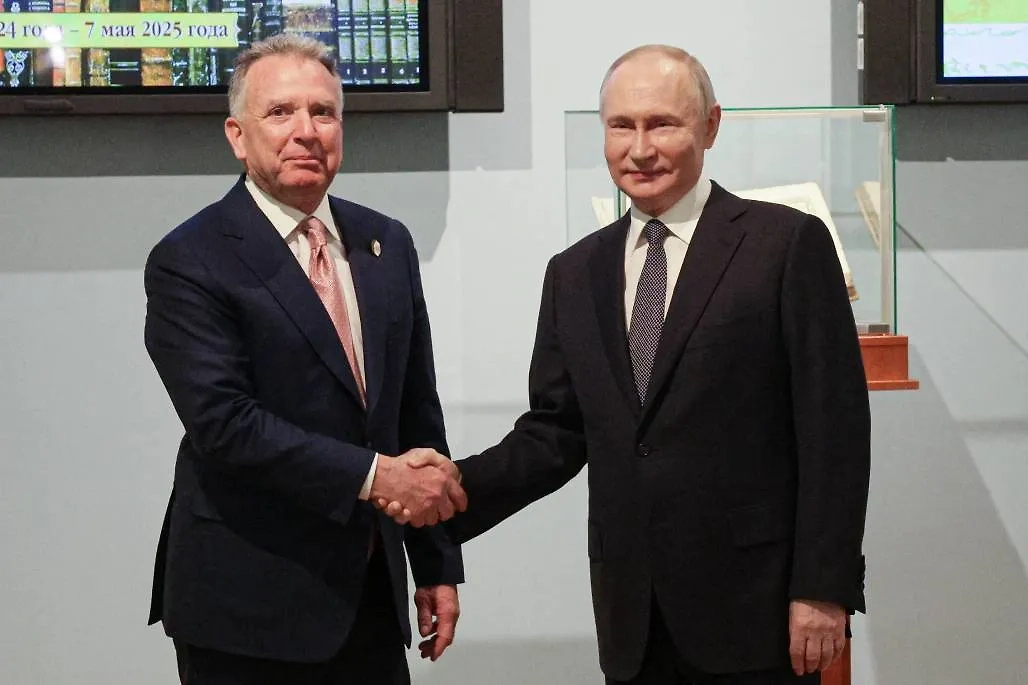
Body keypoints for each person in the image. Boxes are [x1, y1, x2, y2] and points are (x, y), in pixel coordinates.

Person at [382, 45, 871, 685]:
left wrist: (823, 587)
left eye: (662, 124)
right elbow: (555, 433)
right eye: (622, 126)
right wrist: (450, 493)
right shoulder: (574, 272)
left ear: (710, 126)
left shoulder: (786, 245)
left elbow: (835, 432)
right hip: (632, 617)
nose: (640, 149)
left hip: (760, 611)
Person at [143, 34, 466, 685]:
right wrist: (376, 477)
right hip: (246, 608)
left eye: (323, 112)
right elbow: (225, 424)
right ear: (237, 136)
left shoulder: (386, 243)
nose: (306, 131)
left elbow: (414, 411)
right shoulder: (191, 257)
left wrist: (435, 563)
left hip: (369, 601)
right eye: (280, 112)